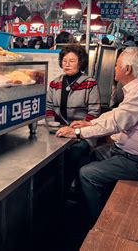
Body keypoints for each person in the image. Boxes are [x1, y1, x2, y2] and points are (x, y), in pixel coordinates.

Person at [56, 47, 138, 223]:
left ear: (128, 69)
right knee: (95, 153)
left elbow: (117, 121)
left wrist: (78, 132)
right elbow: (117, 113)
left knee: (87, 173)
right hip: (134, 153)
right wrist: (91, 124)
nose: (114, 68)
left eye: (117, 65)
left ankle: (99, 222)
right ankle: (95, 200)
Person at [46, 44, 101, 194]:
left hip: (83, 133)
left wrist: (76, 130)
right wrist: (52, 125)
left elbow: (94, 112)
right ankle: (52, 191)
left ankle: (63, 192)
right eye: (64, 61)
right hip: (59, 131)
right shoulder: (55, 83)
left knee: (74, 153)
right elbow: (49, 108)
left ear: (81, 62)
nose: (67, 64)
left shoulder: (90, 83)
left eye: (72, 61)